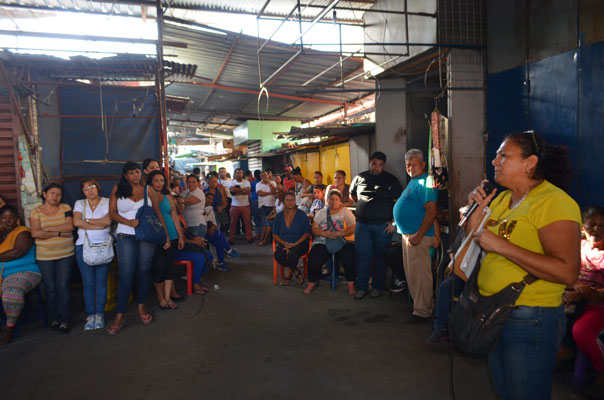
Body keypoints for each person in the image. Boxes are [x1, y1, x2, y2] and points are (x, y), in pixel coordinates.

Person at [467, 131, 580, 399]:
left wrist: (501, 246)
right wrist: (476, 211)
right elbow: (481, 241)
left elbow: (567, 272)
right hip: (495, 309)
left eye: (503, 155)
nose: (495, 161)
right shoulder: (504, 199)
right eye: (496, 155)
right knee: (506, 391)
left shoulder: (554, 202)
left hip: (530, 316)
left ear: (530, 163)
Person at [108, 161, 171, 335]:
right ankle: (120, 316)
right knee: (126, 274)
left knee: (143, 271)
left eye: (137, 172)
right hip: (125, 235)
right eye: (131, 173)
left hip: (147, 236)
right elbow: (112, 212)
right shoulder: (117, 189)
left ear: (141, 173)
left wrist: (165, 234)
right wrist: (128, 222)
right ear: (125, 175)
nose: (135, 175)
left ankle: (142, 309)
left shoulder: (148, 190)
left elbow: (157, 213)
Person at [561, 205, 604, 397]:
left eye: (602, 225)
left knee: (583, 331)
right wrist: (575, 287)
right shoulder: (577, 246)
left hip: (598, 302)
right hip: (573, 294)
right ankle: (564, 355)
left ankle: (601, 372)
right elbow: (564, 272)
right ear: (582, 228)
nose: (597, 229)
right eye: (592, 224)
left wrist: (589, 292)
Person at [393, 149, 438, 323]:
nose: (410, 167)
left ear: (423, 165)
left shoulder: (427, 181)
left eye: (414, 164)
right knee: (413, 275)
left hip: (418, 235)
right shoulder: (414, 181)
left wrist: (419, 235)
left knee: (420, 275)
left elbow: (431, 210)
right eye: (408, 165)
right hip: (409, 235)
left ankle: (422, 311)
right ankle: (421, 306)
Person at [350, 151, 403, 299]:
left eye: (380, 165)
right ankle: (361, 287)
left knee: (380, 257)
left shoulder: (391, 180)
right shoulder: (360, 177)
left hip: (382, 227)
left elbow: (399, 202)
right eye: (374, 164)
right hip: (362, 225)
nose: (376, 167)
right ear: (370, 162)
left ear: (383, 166)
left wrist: (393, 222)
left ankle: (377, 287)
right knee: (362, 256)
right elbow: (352, 195)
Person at [29, 183, 75, 334]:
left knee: (63, 286)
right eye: (52, 193)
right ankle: (53, 318)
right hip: (45, 256)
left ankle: (65, 319)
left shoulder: (66, 208)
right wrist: (59, 233)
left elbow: (70, 228)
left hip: (66, 254)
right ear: (44, 194)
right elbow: (35, 233)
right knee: (50, 287)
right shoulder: (36, 212)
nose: (55, 197)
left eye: (59, 194)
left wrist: (47, 229)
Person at [73, 178, 113, 330]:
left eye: (92, 187)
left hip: (104, 245)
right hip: (83, 246)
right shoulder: (79, 203)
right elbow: (77, 222)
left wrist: (87, 221)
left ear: (98, 187)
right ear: (82, 192)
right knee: (88, 283)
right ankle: (90, 315)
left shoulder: (108, 201)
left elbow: (108, 221)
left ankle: (99, 315)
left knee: (101, 282)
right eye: (86, 188)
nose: (89, 190)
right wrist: (99, 223)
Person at [0, 205, 42, 344]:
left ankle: (9, 328)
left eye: (12, 217)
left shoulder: (23, 232)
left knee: (12, 293)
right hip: (2, 276)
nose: (8, 221)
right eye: (4, 217)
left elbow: (17, 252)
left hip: (24, 272)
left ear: (17, 219)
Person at [304, 190, 356, 295]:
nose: (333, 202)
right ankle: (311, 282)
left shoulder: (345, 211)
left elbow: (354, 227)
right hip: (323, 240)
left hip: (341, 240)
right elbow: (314, 228)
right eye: (331, 199)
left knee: (349, 256)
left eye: (336, 199)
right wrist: (324, 233)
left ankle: (351, 283)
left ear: (340, 201)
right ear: (327, 200)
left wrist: (341, 233)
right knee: (314, 256)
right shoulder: (322, 212)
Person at [148, 170, 185, 310]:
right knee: (159, 268)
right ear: (151, 181)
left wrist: (180, 235)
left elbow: (175, 216)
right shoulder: (148, 195)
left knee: (170, 268)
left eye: (162, 180)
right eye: (156, 180)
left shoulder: (168, 195)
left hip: (173, 235)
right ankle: (160, 297)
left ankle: (168, 297)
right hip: (157, 237)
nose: (159, 183)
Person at [174, 196, 212, 295]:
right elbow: (177, 239)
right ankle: (195, 285)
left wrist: (196, 239)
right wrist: (194, 242)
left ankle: (196, 280)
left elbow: (186, 234)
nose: (181, 206)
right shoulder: (172, 218)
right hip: (175, 250)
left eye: (183, 203)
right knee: (200, 258)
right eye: (178, 204)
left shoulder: (181, 217)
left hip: (184, 247)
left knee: (209, 256)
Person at [272, 192, 311, 286]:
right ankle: (296, 270)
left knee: (292, 254)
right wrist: (285, 244)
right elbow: (275, 234)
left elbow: (306, 233)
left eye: (292, 200)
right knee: (278, 254)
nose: (290, 202)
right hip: (284, 242)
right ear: (283, 202)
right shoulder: (279, 216)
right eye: (287, 200)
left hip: (300, 242)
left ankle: (288, 274)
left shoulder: (301, 215)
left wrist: (294, 244)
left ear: (295, 201)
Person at [204, 192, 240, 271]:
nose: (210, 200)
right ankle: (229, 250)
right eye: (208, 198)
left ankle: (221, 263)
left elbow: (214, 222)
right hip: (202, 233)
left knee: (219, 243)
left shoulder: (210, 208)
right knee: (219, 234)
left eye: (212, 199)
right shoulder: (199, 208)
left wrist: (212, 228)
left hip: (210, 231)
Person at [228, 168, 253, 244]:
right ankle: (231, 239)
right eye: (238, 173)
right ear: (235, 174)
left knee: (247, 223)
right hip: (234, 205)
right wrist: (243, 190)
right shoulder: (232, 182)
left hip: (245, 205)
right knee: (233, 223)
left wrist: (237, 191)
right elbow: (232, 190)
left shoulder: (246, 182)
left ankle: (249, 238)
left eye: (241, 173)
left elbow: (248, 191)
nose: (239, 174)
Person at [182, 174, 207, 239]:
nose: (191, 184)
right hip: (188, 225)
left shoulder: (199, 192)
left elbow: (188, 202)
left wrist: (176, 200)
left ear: (198, 183)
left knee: (197, 247)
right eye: (189, 182)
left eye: (193, 182)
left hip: (197, 225)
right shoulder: (186, 193)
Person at [255, 171, 277, 246]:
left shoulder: (273, 183)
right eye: (262, 176)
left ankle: (266, 239)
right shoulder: (258, 184)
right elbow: (260, 193)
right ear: (260, 177)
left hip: (272, 206)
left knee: (269, 223)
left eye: (265, 175)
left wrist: (269, 184)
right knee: (263, 223)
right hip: (263, 206)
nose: (264, 177)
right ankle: (262, 238)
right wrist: (270, 193)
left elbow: (275, 191)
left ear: (268, 176)